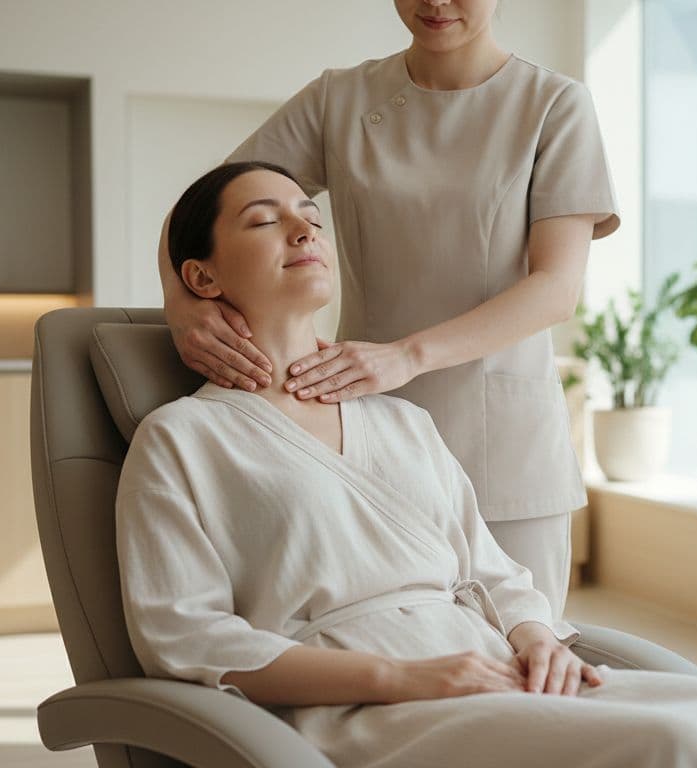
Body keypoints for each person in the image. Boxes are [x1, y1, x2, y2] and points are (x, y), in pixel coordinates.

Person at [119, 162, 697, 768]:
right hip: (362, 710)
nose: (304, 226)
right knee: (675, 745)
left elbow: (493, 573)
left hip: (496, 669)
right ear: (202, 278)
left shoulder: (401, 422)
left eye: (308, 212)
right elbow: (186, 636)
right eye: (263, 220)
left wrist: (537, 640)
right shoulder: (183, 438)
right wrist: (404, 677)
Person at [157, 0, 615, 617]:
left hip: (501, 446)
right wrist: (182, 303)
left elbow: (556, 288)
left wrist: (407, 356)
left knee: (522, 651)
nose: (436, 2)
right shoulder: (338, 100)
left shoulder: (554, 105)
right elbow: (201, 209)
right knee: (388, 644)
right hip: (356, 432)